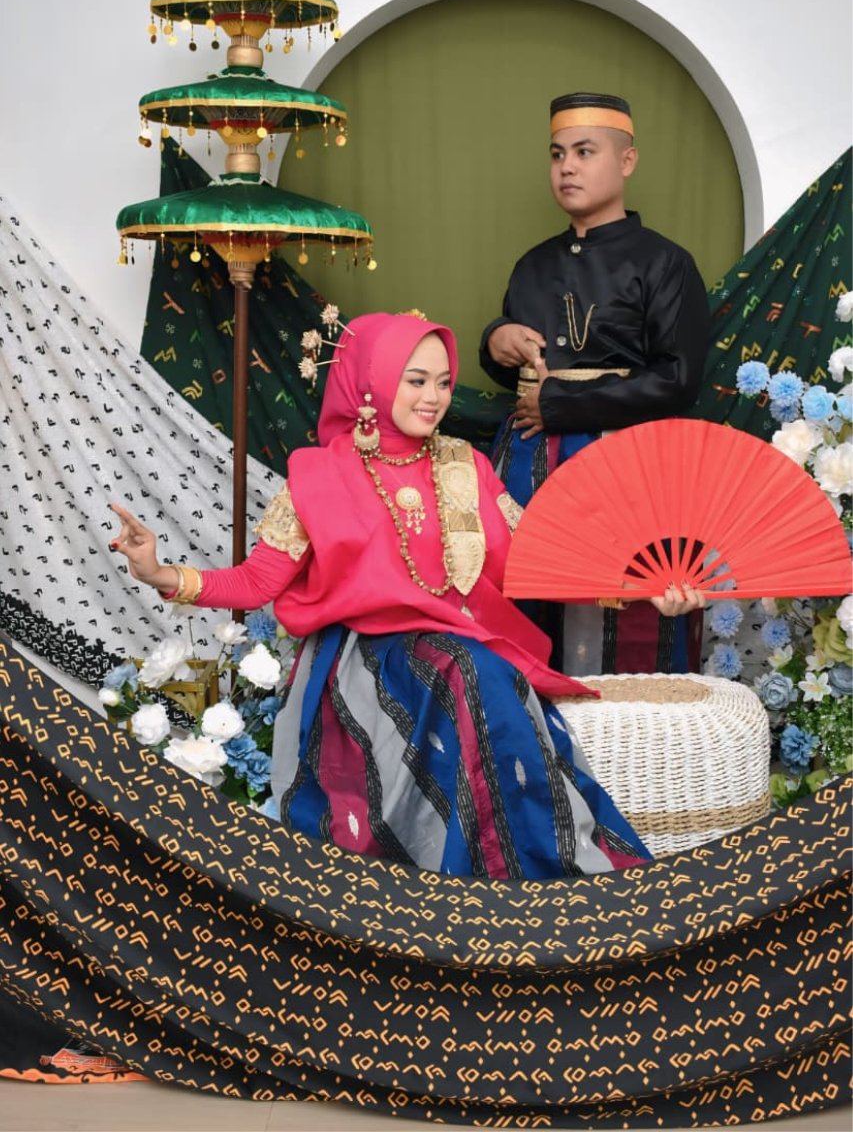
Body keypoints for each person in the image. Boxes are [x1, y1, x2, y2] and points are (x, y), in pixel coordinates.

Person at [111, 312, 701, 881]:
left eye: (443, 382)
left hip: (460, 647)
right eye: (415, 381)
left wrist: (642, 590)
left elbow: (535, 557)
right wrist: (160, 573)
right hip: (365, 657)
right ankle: (485, 882)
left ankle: (542, 876)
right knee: (468, 669)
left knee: (474, 667)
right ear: (371, 383)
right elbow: (257, 581)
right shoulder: (320, 476)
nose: (433, 398)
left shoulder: (465, 466)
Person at [479, 92, 711, 677]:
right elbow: (520, 367)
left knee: (627, 612)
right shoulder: (532, 264)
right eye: (557, 154)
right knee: (522, 609)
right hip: (528, 461)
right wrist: (496, 340)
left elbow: (678, 380)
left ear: (627, 161)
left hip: (625, 465)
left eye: (585, 152)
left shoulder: (666, 263)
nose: (567, 167)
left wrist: (561, 404)